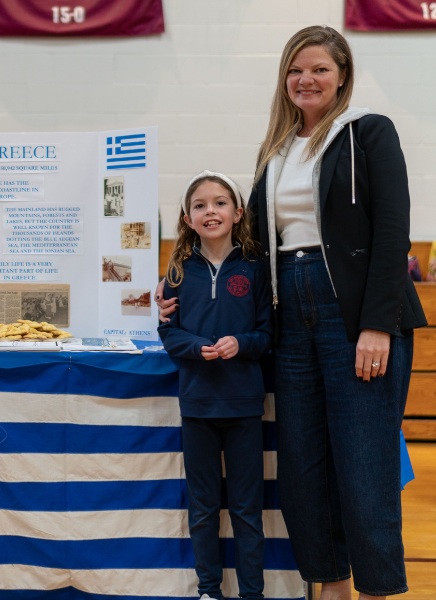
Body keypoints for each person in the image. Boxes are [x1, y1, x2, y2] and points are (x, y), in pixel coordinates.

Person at [158, 26, 427, 600]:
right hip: (289, 313)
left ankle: (376, 589)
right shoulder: (275, 151)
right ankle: (330, 587)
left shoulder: (368, 133)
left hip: (351, 311)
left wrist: (377, 323)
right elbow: (247, 245)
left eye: (320, 69)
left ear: (342, 76)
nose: (307, 79)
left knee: (363, 464)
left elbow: (392, 233)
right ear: (284, 79)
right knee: (303, 465)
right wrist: (177, 285)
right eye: (296, 70)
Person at [158, 171, 272, 600]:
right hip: (198, 407)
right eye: (201, 205)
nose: (211, 211)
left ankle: (252, 594)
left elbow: (266, 335)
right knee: (203, 508)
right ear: (188, 218)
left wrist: (240, 344)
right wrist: (194, 346)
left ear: (238, 212)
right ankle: (209, 590)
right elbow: (168, 333)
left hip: (243, 407)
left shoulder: (256, 269)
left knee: (246, 509)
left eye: (220, 203)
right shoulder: (177, 273)